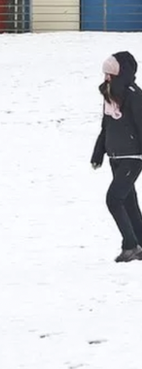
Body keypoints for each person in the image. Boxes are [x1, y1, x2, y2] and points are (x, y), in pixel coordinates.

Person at [91, 51, 142, 262]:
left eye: (109, 74)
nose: (105, 78)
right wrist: (98, 153)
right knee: (129, 201)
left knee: (114, 199)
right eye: (104, 74)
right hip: (115, 155)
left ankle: (130, 245)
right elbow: (106, 127)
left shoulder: (133, 95)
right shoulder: (109, 97)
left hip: (133, 157)